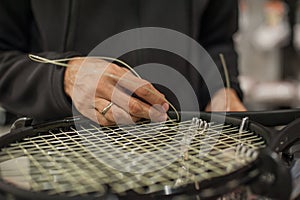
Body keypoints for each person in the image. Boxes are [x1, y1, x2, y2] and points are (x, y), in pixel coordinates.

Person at [0, 0, 246, 126]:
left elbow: (217, 39)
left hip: (183, 161)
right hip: (63, 166)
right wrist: (63, 78)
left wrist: (221, 89)